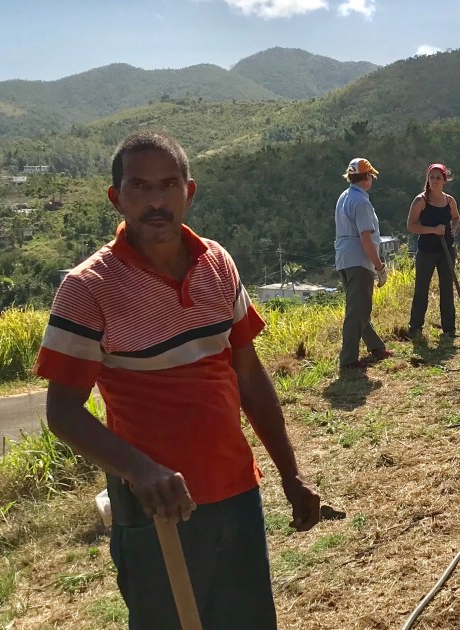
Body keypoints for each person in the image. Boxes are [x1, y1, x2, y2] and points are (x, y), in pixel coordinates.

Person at [34, 130, 320, 629]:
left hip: (236, 495)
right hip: (157, 514)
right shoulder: (87, 288)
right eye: (139, 187)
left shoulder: (218, 265)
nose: (156, 200)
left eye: (168, 185)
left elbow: (248, 375)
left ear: (189, 191)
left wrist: (289, 474)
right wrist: (141, 470)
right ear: (116, 197)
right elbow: (62, 412)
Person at [335, 157, 392, 369]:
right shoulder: (362, 202)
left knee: (359, 308)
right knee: (356, 312)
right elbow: (366, 239)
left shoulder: (344, 197)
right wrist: (379, 267)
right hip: (358, 260)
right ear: (367, 177)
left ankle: (376, 347)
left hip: (344, 258)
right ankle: (348, 359)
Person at [407, 163, 460, 339]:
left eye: (438, 178)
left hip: (446, 251)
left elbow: (456, 217)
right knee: (421, 289)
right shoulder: (421, 201)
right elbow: (411, 226)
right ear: (427, 180)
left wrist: (452, 228)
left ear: (445, 180)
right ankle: (415, 328)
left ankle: (449, 328)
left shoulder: (449, 200)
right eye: (432, 177)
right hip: (426, 252)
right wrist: (433, 230)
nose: (434, 181)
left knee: (447, 289)